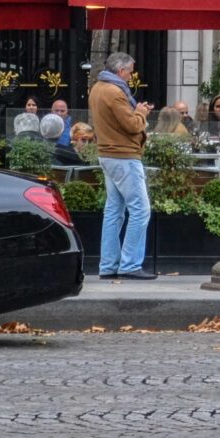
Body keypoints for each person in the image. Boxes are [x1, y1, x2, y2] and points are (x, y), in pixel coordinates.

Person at [91, 52, 155, 280]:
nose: (131, 76)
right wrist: (141, 112)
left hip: (108, 154)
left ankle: (108, 265)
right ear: (120, 71)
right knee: (140, 210)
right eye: (129, 71)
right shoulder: (115, 92)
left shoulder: (97, 89)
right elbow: (131, 125)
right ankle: (129, 265)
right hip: (124, 156)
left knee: (114, 210)